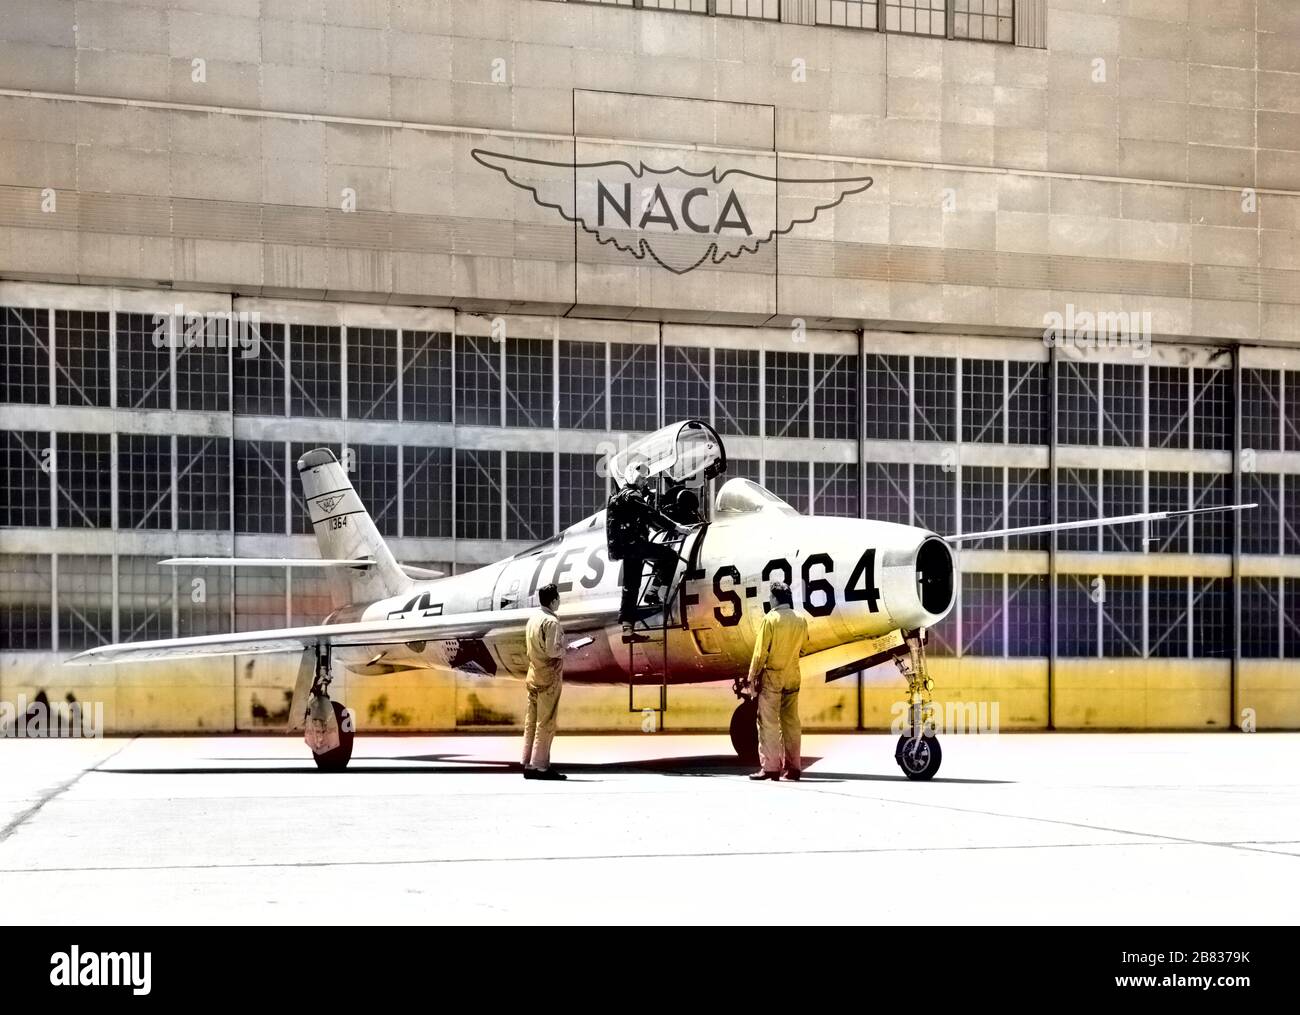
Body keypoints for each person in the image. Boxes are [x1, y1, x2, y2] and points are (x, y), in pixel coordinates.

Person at [606, 462, 689, 640]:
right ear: (633, 477)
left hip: (627, 549)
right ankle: (653, 592)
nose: (645, 482)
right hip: (637, 546)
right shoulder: (633, 496)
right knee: (670, 556)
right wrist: (676, 527)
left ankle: (627, 629)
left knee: (631, 586)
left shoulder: (620, 496)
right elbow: (651, 515)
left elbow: (643, 517)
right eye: (642, 478)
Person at [744, 582, 808, 782]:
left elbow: (760, 652)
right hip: (793, 675)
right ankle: (793, 768)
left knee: (768, 722)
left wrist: (752, 676)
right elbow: (804, 647)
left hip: (773, 677)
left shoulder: (770, 619)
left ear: (774, 598)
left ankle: (770, 768)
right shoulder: (801, 619)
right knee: (791, 722)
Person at [522, 583, 567, 781]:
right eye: (558, 598)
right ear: (554, 600)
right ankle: (541, 766)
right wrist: (566, 648)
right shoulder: (551, 622)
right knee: (546, 722)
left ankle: (528, 763)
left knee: (530, 721)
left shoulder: (533, 619)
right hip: (549, 675)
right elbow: (552, 651)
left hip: (533, 673)